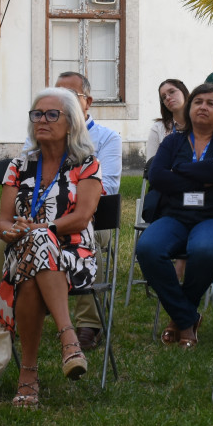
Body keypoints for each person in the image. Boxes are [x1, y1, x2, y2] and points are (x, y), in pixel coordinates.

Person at [0, 88, 103, 407]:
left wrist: (40, 229)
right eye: (37, 114)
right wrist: (13, 230)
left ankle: (28, 375)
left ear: (71, 122)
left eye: (52, 114)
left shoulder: (85, 163)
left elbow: (82, 218)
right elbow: (2, 221)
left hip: (74, 254)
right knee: (34, 250)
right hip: (22, 251)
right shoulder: (19, 164)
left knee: (36, 253)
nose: (42, 119)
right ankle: (68, 339)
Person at [136, 83, 213, 349]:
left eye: (210, 103)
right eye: (198, 102)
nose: (203, 107)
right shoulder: (173, 141)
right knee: (148, 247)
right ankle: (186, 318)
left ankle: (180, 318)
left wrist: (180, 171)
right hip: (175, 215)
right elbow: (158, 175)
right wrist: (200, 176)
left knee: (205, 250)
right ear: (189, 107)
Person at [50, 72, 121, 351]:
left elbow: (110, 186)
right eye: (56, 95)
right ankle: (8, 315)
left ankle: (88, 324)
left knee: (87, 243)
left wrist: (68, 204)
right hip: (46, 217)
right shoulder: (40, 134)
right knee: (5, 244)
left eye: (70, 96)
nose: (60, 102)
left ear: (87, 102)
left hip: (91, 216)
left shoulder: (107, 139)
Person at [146, 78, 189, 159]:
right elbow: (151, 164)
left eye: (172, 92)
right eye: (164, 97)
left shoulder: (199, 123)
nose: (168, 98)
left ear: (183, 91)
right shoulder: (158, 128)